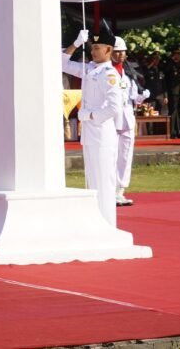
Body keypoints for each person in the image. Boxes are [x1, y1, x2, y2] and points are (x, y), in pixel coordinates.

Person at [62, 29, 122, 227]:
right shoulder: (90, 69)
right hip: (89, 133)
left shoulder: (109, 74)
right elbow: (61, 63)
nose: (94, 52)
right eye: (92, 47)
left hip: (102, 131)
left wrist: (90, 115)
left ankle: (108, 225)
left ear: (108, 50)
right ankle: (98, 224)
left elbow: (114, 107)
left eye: (98, 48)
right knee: (93, 181)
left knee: (104, 182)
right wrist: (76, 43)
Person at [111, 38, 149, 206]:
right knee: (111, 155)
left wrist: (142, 96)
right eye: (117, 51)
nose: (121, 55)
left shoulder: (128, 74)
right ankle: (109, 190)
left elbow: (133, 97)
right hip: (111, 120)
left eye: (123, 51)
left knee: (126, 156)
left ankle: (121, 190)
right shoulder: (105, 71)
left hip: (127, 119)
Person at [164, 48, 180, 138]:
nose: (178, 56)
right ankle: (172, 132)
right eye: (176, 54)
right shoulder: (169, 64)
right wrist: (172, 61)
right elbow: (166, 72)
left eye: (179, 54)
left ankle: (178, 131)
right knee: (173, 111)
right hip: (173, 91)